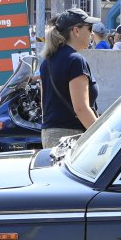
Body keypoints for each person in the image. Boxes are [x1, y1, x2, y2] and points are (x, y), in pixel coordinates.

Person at [40, 8, 99, 148]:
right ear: (76, 30)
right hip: (71, 137)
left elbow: (44, 105)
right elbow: (81, 109)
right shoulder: (75, 60)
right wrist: (102, 135)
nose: (92, 33)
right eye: (89, 28)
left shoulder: (47, 61)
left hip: (49, 135)